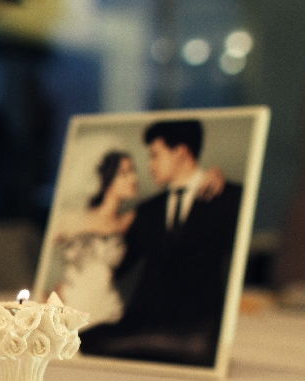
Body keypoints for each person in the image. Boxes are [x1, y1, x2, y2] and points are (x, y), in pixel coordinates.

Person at [81, 119, 242, 366]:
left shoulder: (230, 196)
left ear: (181, 153)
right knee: (86, 341)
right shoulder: (147, 210)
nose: (150, 165)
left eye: (155, 155)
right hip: (143, 322)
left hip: (200, 325)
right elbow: (119, 264)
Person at [55, 150, 138, 326]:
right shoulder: (73, 218)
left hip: (108, 309)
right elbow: (45, 255)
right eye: (124, 173)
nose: (134, 178)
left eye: (133, 171)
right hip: (70, 302)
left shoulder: (128, 221)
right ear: (108, 177)